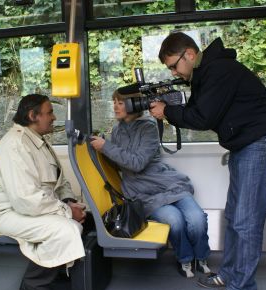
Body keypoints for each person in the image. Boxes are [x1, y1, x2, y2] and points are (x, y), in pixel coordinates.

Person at [150, 32, 266, 290]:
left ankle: (242, 288)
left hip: (259, 143)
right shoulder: (207, 72)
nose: (174, 72)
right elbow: (201, 108)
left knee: (246, 221)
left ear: (189, 54)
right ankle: (228, 274)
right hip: (246, 145)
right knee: (235, 216)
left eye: (174, 66)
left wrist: (167, 112)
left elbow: (202, 117)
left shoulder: (218, 70)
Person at [90, 89, 211, 278]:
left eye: (120, 102)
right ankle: (185, 259)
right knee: (175, 221)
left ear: (133, 105)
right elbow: (119, 164)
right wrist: (102, 148)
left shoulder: (148, 127)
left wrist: (106, 147)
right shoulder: (117, 130)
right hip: (142, 192)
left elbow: (136, 163)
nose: (115, 106)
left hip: (167, 184)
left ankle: (201, 256)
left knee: (197, 220)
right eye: (113, 101)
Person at [0, 94, 87, 290]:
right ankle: (33, 284)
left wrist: (68, 202)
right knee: (66, 228)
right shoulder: (16, 146)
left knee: (86, 216)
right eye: (49, 113)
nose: (54, 117)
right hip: (6, 213)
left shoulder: (38, 142)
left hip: (29, 207)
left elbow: (60, 181)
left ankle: (55, 266)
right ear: (33, 115)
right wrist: (67, 213)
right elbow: (26, 200)